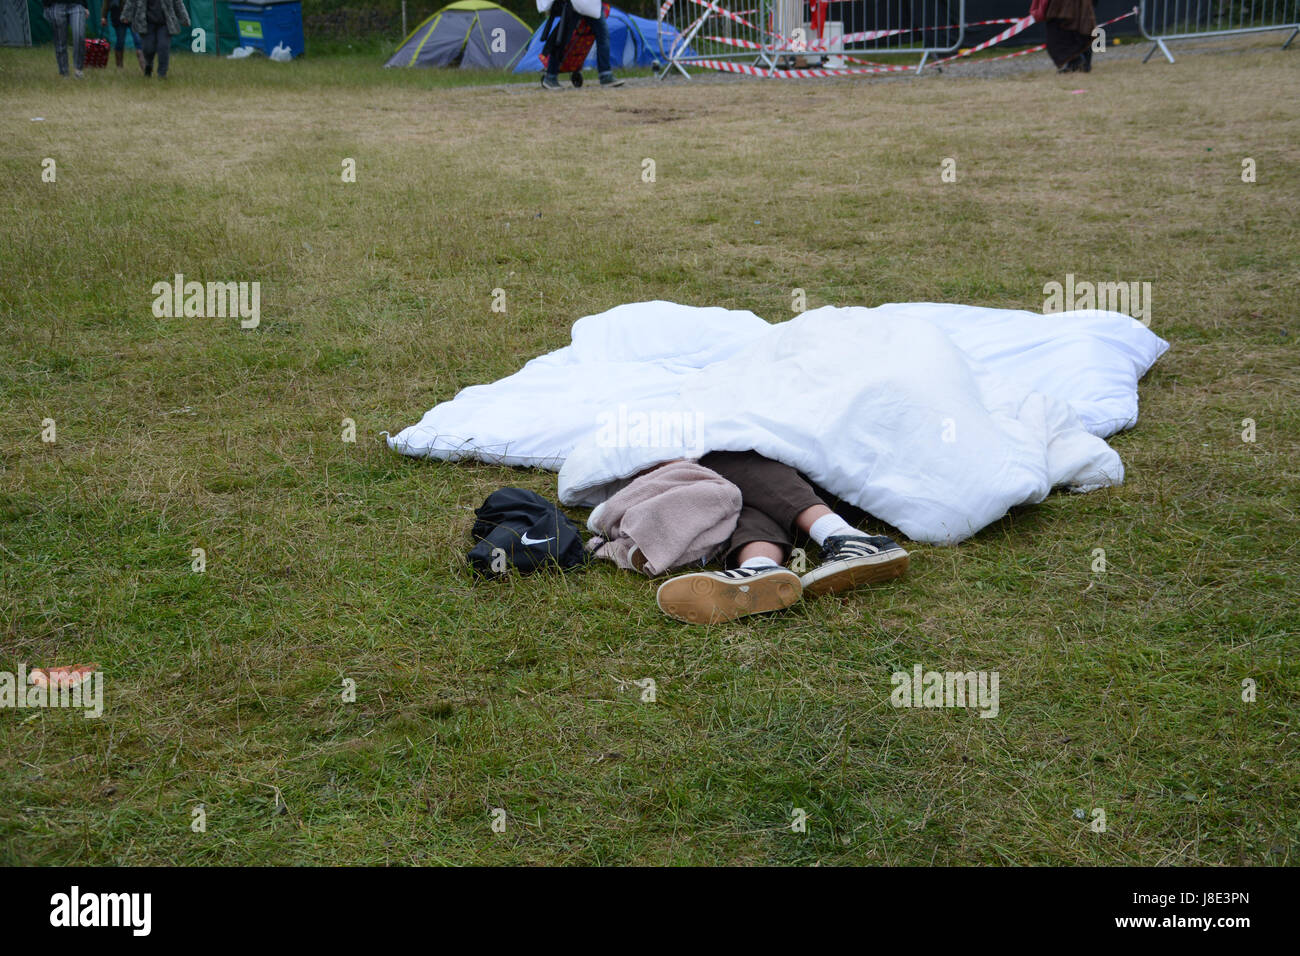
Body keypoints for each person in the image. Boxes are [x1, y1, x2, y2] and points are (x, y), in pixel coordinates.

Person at [654, 452, 910, 624]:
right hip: (782, 487)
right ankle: (759, 568)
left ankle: (844, 535)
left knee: (719, 453)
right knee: (737, 492)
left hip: (814, 471)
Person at [540, 0, 624, 90]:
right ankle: (550, 76)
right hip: (573, 4)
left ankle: (605, 75)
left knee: (603, 35)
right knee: (562, 39)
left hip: (591, 6)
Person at [120, 0, 188, 79]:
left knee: (163, 47)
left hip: (165, 24)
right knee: (148, 48)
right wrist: (126, 15)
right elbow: (131, 2)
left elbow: (178, 3)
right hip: (146, 23)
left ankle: (162, 74)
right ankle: (148, 65)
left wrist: (184, 19)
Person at [1036, 0, 1097, 73]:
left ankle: (1077, 62)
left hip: (1067, 6)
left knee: (1066, 32)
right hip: (1074, 6)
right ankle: (1081, 63)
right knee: (1079, 31)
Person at [43, 0, 89, 78]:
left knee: (79, 35)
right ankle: (64, 72)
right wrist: (46, 6)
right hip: (56, 5)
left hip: (77, 4)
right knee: (60, 41)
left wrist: (85, 6)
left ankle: (78, 69)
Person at [101, 0, 144, 72]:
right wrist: (103, 16)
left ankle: (145, 68)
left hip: (132, 16)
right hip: (118, 16)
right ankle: (119, 67)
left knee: (138, 40)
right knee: (120, 41)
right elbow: (106, 2)